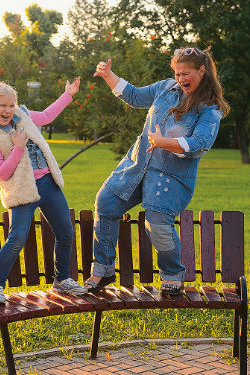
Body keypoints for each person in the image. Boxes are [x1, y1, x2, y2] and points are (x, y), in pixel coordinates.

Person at [85, 47, 230, 295]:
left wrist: (164, 142)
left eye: (186, 73)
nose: (181, 79)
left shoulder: (210, 108)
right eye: (177, 73)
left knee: (157, 224)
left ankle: (173, 274)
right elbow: (133, 96)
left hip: (169, 177)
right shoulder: (165, 88)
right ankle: (103, 269)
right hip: (136, 166)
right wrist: (109, 74)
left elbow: (200, 143)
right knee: (106, 202)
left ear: (202, 71)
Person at [0, 79, 88, 304]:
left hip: (47, 183)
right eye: (2, 106)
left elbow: (46, 116)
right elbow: (2, 174)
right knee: (17, 237)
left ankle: (62, 280)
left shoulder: (22, 115)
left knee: (65, 232)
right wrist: (18, 147)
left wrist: (68, 94)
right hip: (22, 190)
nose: (7, 110)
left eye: (11, 105)